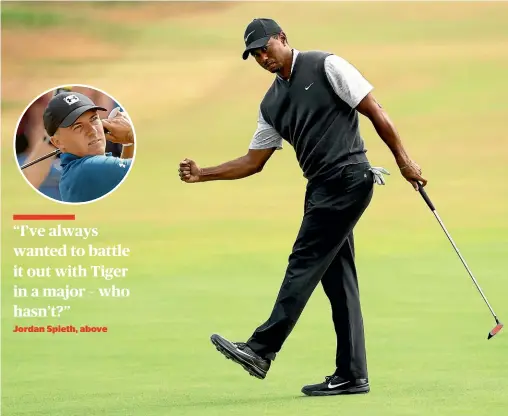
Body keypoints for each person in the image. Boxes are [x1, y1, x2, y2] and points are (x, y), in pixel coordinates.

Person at [179, 18, 427, 396]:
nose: (263, 57)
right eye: (256, 54)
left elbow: (374, 109)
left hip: (348, 178)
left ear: (283, 38)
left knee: (303, 263)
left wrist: (404, 161)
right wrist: (204, 174)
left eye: (266, 47)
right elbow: (253, 161)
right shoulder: (271, 103)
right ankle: (352, 374)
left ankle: (261, 350)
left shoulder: (327, 65)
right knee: (338, 281)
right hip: (321, 189)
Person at [44, 91, 135, 203]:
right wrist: (131, 134)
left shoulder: (78, 171)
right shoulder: (87, 169)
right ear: (57, 142)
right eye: (78, 127)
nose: (92, 131)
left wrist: (129, 143)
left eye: (93, 119)